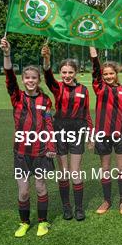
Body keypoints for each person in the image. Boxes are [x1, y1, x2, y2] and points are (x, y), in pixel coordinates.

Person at [1, 37, 56, 237]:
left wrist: (51, 147)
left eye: (34, 78)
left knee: (41, 188)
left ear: (38, 80)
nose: (30, 81)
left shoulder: (46, 100)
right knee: (23, 191)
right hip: (21, 153)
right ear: (23, 80)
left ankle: (43, 222)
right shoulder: (17, 97)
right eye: (27, 78)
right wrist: (7, 54)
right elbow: (9, 75)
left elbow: (49, 125)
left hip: (41, 152)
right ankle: (24, 222)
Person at [41, 44, 92, 221]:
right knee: (63, 172)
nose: (67, 76)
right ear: (60, 73)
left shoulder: (83, 90)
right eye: (64, 72)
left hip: (77, 132)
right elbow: (47, 76)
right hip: (60, 130)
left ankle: (79, 208)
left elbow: (86, 114)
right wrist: (47, 59)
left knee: (75, 171)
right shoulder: (57, 88)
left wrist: (91, 135)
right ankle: (66, 207)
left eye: (70, 72)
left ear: (76, 72)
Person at [89, 47, 122, 215]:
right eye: (105, 74)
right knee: (105, 168)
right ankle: (107, 200)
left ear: (116, 73)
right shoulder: (100, 88)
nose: (108, 76)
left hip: (121, 134)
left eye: (111, 73)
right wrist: (94, 54)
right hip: (102, 134)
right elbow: (95, 71)